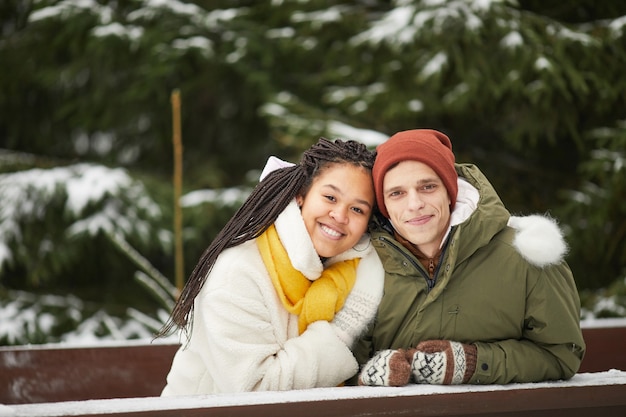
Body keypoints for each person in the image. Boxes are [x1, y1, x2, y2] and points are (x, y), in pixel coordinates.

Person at [353, 128, 585, 387]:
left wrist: (473, 363)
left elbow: (562, 354)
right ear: (383, 204)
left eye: (427, 187)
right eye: (397, 193)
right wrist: (367, 375)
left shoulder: (527, 257)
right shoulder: (361, 264)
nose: (414, 204)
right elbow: (341, 363)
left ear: (450, 190)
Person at [158, 138, 384, 395]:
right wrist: (343, 329)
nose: (340, 216)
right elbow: (254, 389)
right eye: (330, 197)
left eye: (357, 209)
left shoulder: (353, 268)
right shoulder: (238, 272)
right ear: (301, 195)